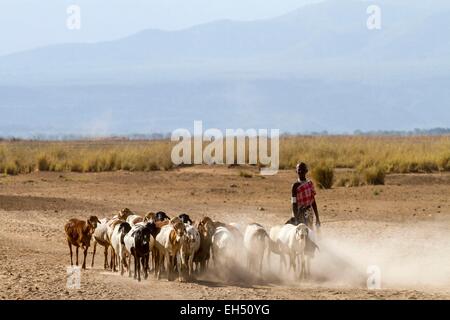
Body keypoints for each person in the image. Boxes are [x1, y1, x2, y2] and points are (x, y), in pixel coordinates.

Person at [291, 162, 321, 229]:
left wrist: (317, 218)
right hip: (298, 214)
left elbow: (313, 201)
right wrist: (296, 219)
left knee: (310, 232)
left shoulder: (310, 184)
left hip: (309, 213)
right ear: (296, 171)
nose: (301, 171)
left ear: (306, 171)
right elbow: (294, 204)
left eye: (303, 169)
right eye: (299, 169)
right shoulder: (295, 186)